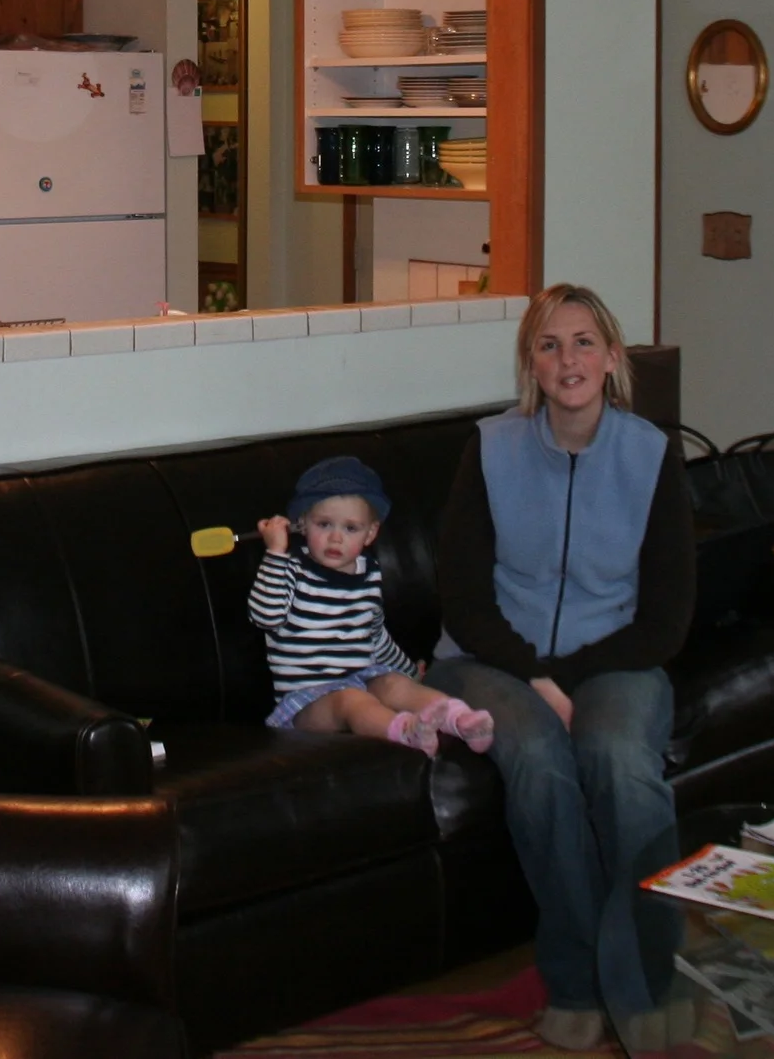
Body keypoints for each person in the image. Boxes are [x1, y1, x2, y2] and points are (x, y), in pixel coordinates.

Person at [426, 284, 695, 1053]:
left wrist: (572, 675)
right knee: (540, 759)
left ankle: (646, 979)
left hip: (617, 656)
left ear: (612, 357)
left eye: (583, 342)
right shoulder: (492, 448)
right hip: (488, 661)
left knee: (616, 756)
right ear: (531, 364)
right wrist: (540, 679)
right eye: (549, 344)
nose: (567, 359)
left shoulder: (650, 456)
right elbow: (465, 598)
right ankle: (576, 980)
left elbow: (666, 618)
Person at [251, 455, 495, 754]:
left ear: (371, 533)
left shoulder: (369, 575)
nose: (336, 537)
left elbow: (375, 635)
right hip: (308, 704)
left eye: (351, 528)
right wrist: (275, 553)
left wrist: (409, 671)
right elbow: (266, 616)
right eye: (324, 524)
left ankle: (461, 719)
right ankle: (406, 731)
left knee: (394, 684)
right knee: (352, 700)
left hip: (362, 680)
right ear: (301, 524)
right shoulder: (290, 571)